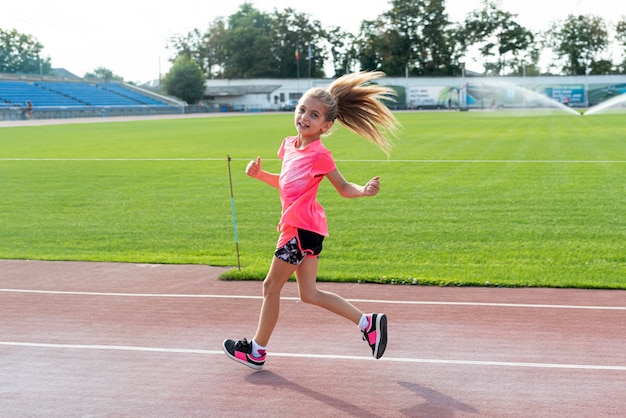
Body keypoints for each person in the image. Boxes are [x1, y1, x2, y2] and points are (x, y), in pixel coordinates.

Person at [222, 71, 400, 370]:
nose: (304, 117)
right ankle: (367, 322)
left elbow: (343, 188)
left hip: (300, 230)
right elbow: (289, 182)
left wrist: (363, 191)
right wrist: (261, 175)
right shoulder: (289, 145)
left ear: (326, 126)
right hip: (305, 230)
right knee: (309, 293)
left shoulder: (321, 155)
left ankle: (256, 350)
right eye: (301, 109)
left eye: (314, 115)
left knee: (270, 286)